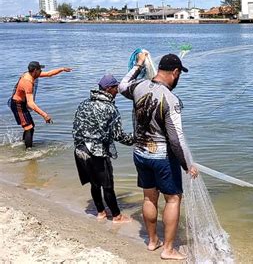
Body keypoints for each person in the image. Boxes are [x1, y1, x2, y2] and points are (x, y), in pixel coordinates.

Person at [119, 53, 198, 260]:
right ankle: (168, 249)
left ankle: (153, 241)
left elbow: (121, 85)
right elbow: (175, 139)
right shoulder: (171, 100)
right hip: (162, 156)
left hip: (140, 153)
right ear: (175, 72)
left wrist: (138, 65)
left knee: (149, 197)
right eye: (179, 74)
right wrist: (187, 164)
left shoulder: (138, 87)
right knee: (173, 199)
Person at [72, 74, 133, 223]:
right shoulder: (110, 108)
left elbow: (76, 127)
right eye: (115, 88)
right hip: (96, 152)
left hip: (80, 150)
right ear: (108, 89)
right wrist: (136, 139)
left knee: (94, 184)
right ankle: (117, 216)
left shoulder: (84, 103)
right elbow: (119, 136)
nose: (117, 91)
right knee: (107, 185)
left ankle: (100, 212)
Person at [9, 61, 72, 148]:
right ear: (35, 70)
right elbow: (30, 103)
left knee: (30, 126)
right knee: (29, 127)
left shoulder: (31, 74)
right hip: (17, 104)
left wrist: (62, 69)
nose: (41, 72)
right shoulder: (27, 81)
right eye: (39, 70)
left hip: (21, 103)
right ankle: (28, 152)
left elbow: (49, 74)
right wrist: (44, 115)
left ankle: (24, 143)